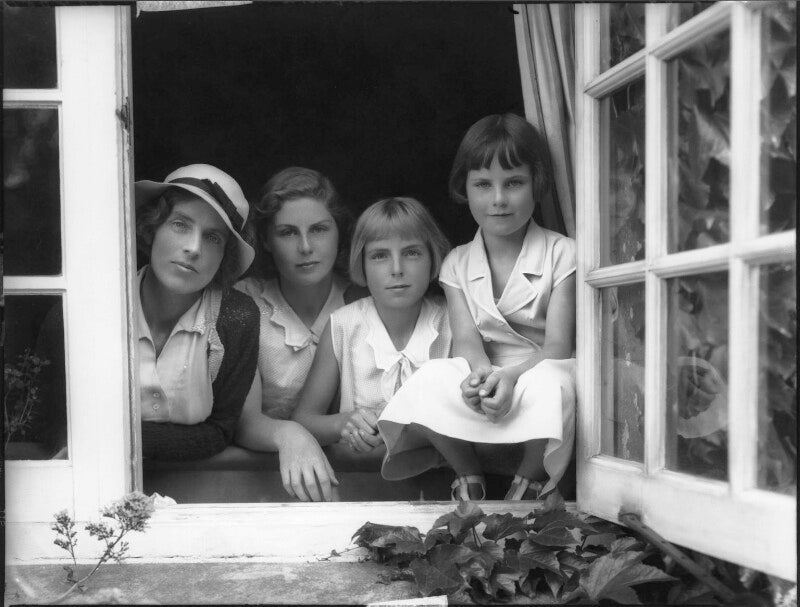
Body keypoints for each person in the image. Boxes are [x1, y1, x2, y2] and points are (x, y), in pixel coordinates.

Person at [378, 114, 577, 501]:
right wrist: (479, 377)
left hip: (538, 369)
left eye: (514, 183)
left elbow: (558, 348)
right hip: (486, 369)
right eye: (483, 184)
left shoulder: (561, 253)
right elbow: (467, 341)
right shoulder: (456, 262)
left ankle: (530, 477)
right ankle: (466, 471)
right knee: (430, 377)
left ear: (537, 184)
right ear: (464, 189)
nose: (498, 199)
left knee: (552, 383)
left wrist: (512, 377)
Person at [291, 197, 451, 466]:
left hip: (444, 479)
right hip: (361, 479)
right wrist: (344, 422)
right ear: (361, 263)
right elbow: (303, 420)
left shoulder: (451, 321)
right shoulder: (343, 324)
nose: (397, 269)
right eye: (380, 256)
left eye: (412, 252)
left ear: (432, 257)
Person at [233, 167, 354, 502]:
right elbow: (240, 422)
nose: (305, 246)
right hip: (257, 482)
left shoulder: (364, 302)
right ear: (267, 240)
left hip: (356, 478)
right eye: (287, 232)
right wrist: (290, 434)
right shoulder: (246, 304)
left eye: (319, 229)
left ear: (339, 233)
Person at [135, 164, 259, 460]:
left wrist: (120, 442)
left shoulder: (236, 317)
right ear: (153, 228)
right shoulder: (96, 304)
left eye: (212, 237)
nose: (193, 248)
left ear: (224, 256)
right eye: (180, 224)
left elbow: (220, 430)